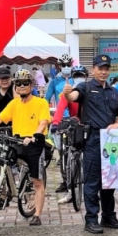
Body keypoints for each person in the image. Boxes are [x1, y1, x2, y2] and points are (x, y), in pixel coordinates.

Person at [63, 54, 118, 234]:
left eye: (106, 69)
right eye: (100, 68)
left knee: (109, 180)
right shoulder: (85, 87)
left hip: (110, 141)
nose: (104, 72)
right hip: (92, 139)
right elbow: (73, 97)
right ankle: (91, 219)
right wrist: (67, 93)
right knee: (92, 181)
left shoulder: (115, 92)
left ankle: (108, 216)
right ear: (93, 70)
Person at [0, 70, 51, 226]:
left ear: (31, 84)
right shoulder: (14, 104)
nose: (21, 86)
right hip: (17, 141)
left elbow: (43, 122)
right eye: (18, 83)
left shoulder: (41, 103)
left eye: (25, 83)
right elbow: (0, 118)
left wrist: (34, 135)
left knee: (37, 181)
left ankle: (37, 215)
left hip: (34, 143)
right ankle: (3, 193)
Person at [52, 65, 87, 200]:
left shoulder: (91, 90)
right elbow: (60, 107)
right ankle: (70, 190)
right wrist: (55, 123)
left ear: (86, 77)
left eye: (81, 76)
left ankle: (95, 191)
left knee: (93, 159)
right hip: (74, 125)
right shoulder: (69, 92)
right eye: (76, 76)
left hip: (90, 125)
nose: (79, 79)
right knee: (68, 156)